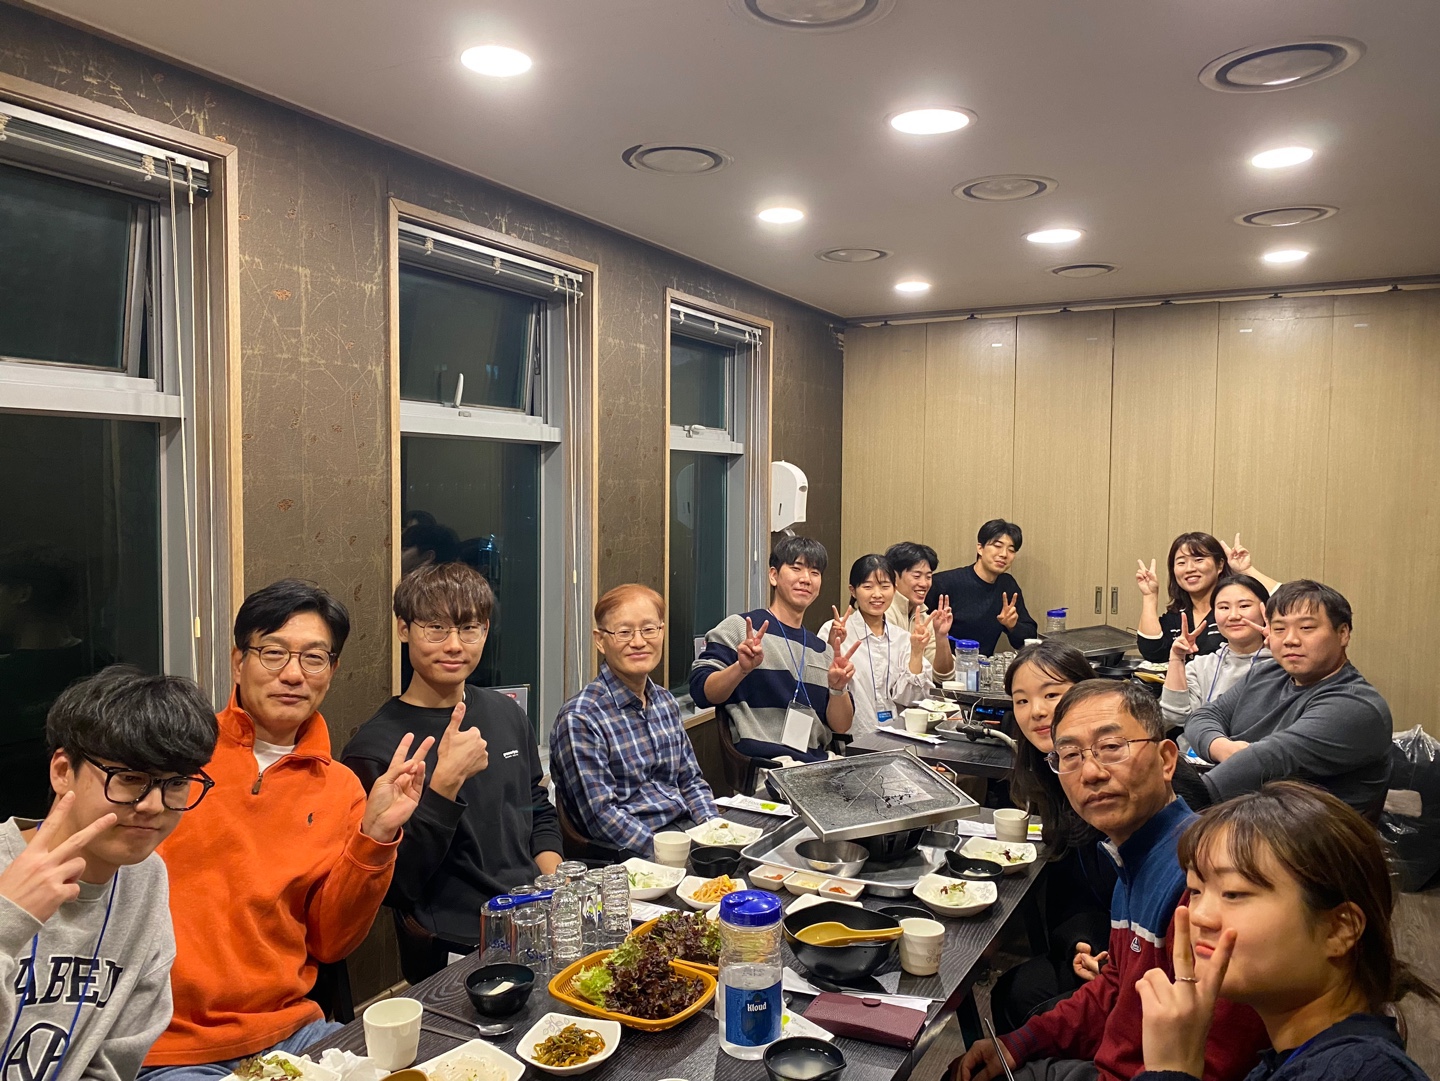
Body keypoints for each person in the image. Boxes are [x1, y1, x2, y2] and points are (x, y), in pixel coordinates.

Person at [143, 580, 434, 1080]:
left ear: (331, 672)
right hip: (170, 1045)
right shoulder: (172, 761)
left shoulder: (340, 788)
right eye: (273, 653)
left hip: (292, 1031)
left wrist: (376, 835)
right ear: (239, 662)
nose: (293, 674)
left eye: (314, 658)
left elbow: (331, 943)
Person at [952, 680, 1266, 1081]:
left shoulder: (1203, 880)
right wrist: (1022, 1042)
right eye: (1070, 755)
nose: (1092, 773)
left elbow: (1217, 1060)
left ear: (1166, 760)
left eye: (1112, 747)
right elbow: (1117, 984)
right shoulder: (1134, 856)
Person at [1134, 782, 1436, 1081]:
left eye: (1233, 893)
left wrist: (1172, 1069)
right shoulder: (1298, 1057)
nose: (1199, 916)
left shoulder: (1363, 1073)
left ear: (1339, 929)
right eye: (1195, 890)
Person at [0, 667, 217, 1081]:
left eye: (175, 783)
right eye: (130, 778)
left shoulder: (144, 879)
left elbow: (116, 1059)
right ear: (63, 772)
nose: (153, 805)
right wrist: (6, 920)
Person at [342, 563, 561, 970]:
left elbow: (535, 804)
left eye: (468, 628)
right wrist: (444, 786)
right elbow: (395, 886)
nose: (455, 645)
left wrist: (555, 883)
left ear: (485, 630)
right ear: (404, 629)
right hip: (459, 940)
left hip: (537, 915)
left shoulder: (506, 713)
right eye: (436, 629)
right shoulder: (375, 749)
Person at [988, 643, 1118, 1033]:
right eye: (1021, 700)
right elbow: (1074, 891)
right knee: (1012, 991)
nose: (1037, 711)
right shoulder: (1053, 774)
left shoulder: (1120, 773)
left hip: (1150, 957)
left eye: (1051, 694)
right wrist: (1082, 941)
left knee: (1024, 1000)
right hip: (1101, 942)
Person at [1183, 580, 1393, 818]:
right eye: (1279, 629)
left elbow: (1266, 762)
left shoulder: (1355, 706)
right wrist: (1224, 748)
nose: (1290, 639)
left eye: (1306, 628)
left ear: (1343, 633)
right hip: (1245, 817)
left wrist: (1177, 799)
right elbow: (1203, 716)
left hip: (1302, 835)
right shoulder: (1267, 672)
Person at [550, 584, 718, 860]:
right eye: (624, 632)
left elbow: (690, 781)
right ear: (600, 640)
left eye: (649, 629)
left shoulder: (664, 701)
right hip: (633, 855)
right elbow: (601, 816)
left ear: (661, 632)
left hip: (685, 834)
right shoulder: (581, 718)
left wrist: (714, 833)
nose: (639, 642)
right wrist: (671, 853)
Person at [690, 536, 858, 766]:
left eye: (815, 572)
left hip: (819, 765)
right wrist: (741, 668)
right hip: (767, 767)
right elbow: (701, 693)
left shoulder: (823, 651)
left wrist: (838, 689)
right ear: (773, 576)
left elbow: (841, 726)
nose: (806, 579)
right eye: (796, 568)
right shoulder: (741, 629)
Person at [819, 555, 936, 737]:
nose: (877, 594)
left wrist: (917, 652)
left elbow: (913, 700)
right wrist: (830, 644)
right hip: (852, 740)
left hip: (898, 738)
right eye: (868, 587)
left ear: (894, 589)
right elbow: (821, 688)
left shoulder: (903, 639)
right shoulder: (833, 631)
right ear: (853, 591)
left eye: (884, 586)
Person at [1136, 533, 1279, 664]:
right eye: (1181, 563)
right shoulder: (1179, 614)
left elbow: (1285, 603)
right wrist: (1149, 596)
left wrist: (1246, 569)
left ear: (1220, 565)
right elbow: (1153, 652)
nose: (1189, 569)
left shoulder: (1233, 611)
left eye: (1199, 560)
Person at [1160, 576, 1272, 732]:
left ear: (1265, 610)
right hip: (1198, 746)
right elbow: (1174, 716)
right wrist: (1176, 658)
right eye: (1224, 608)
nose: (1233, 616)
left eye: (1244, 606)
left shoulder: (1283, 666)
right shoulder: (1201, 666)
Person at [926, 520, 1039, 656]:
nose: (1004, 554)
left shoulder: (1007, 585)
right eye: (997, 546)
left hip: (984, 666)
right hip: (944, 664)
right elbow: (917, 628)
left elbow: (1029, 638)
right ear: (980, 548)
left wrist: (1013, 626)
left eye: (1011, 550)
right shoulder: (944, 583)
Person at [883, 542, 955, 677]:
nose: (924, 584)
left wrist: (941, 637)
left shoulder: (925, 617)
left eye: (928, 577)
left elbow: (944, 676)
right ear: (894, 577)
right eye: (916, 576)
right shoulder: (883, 612)